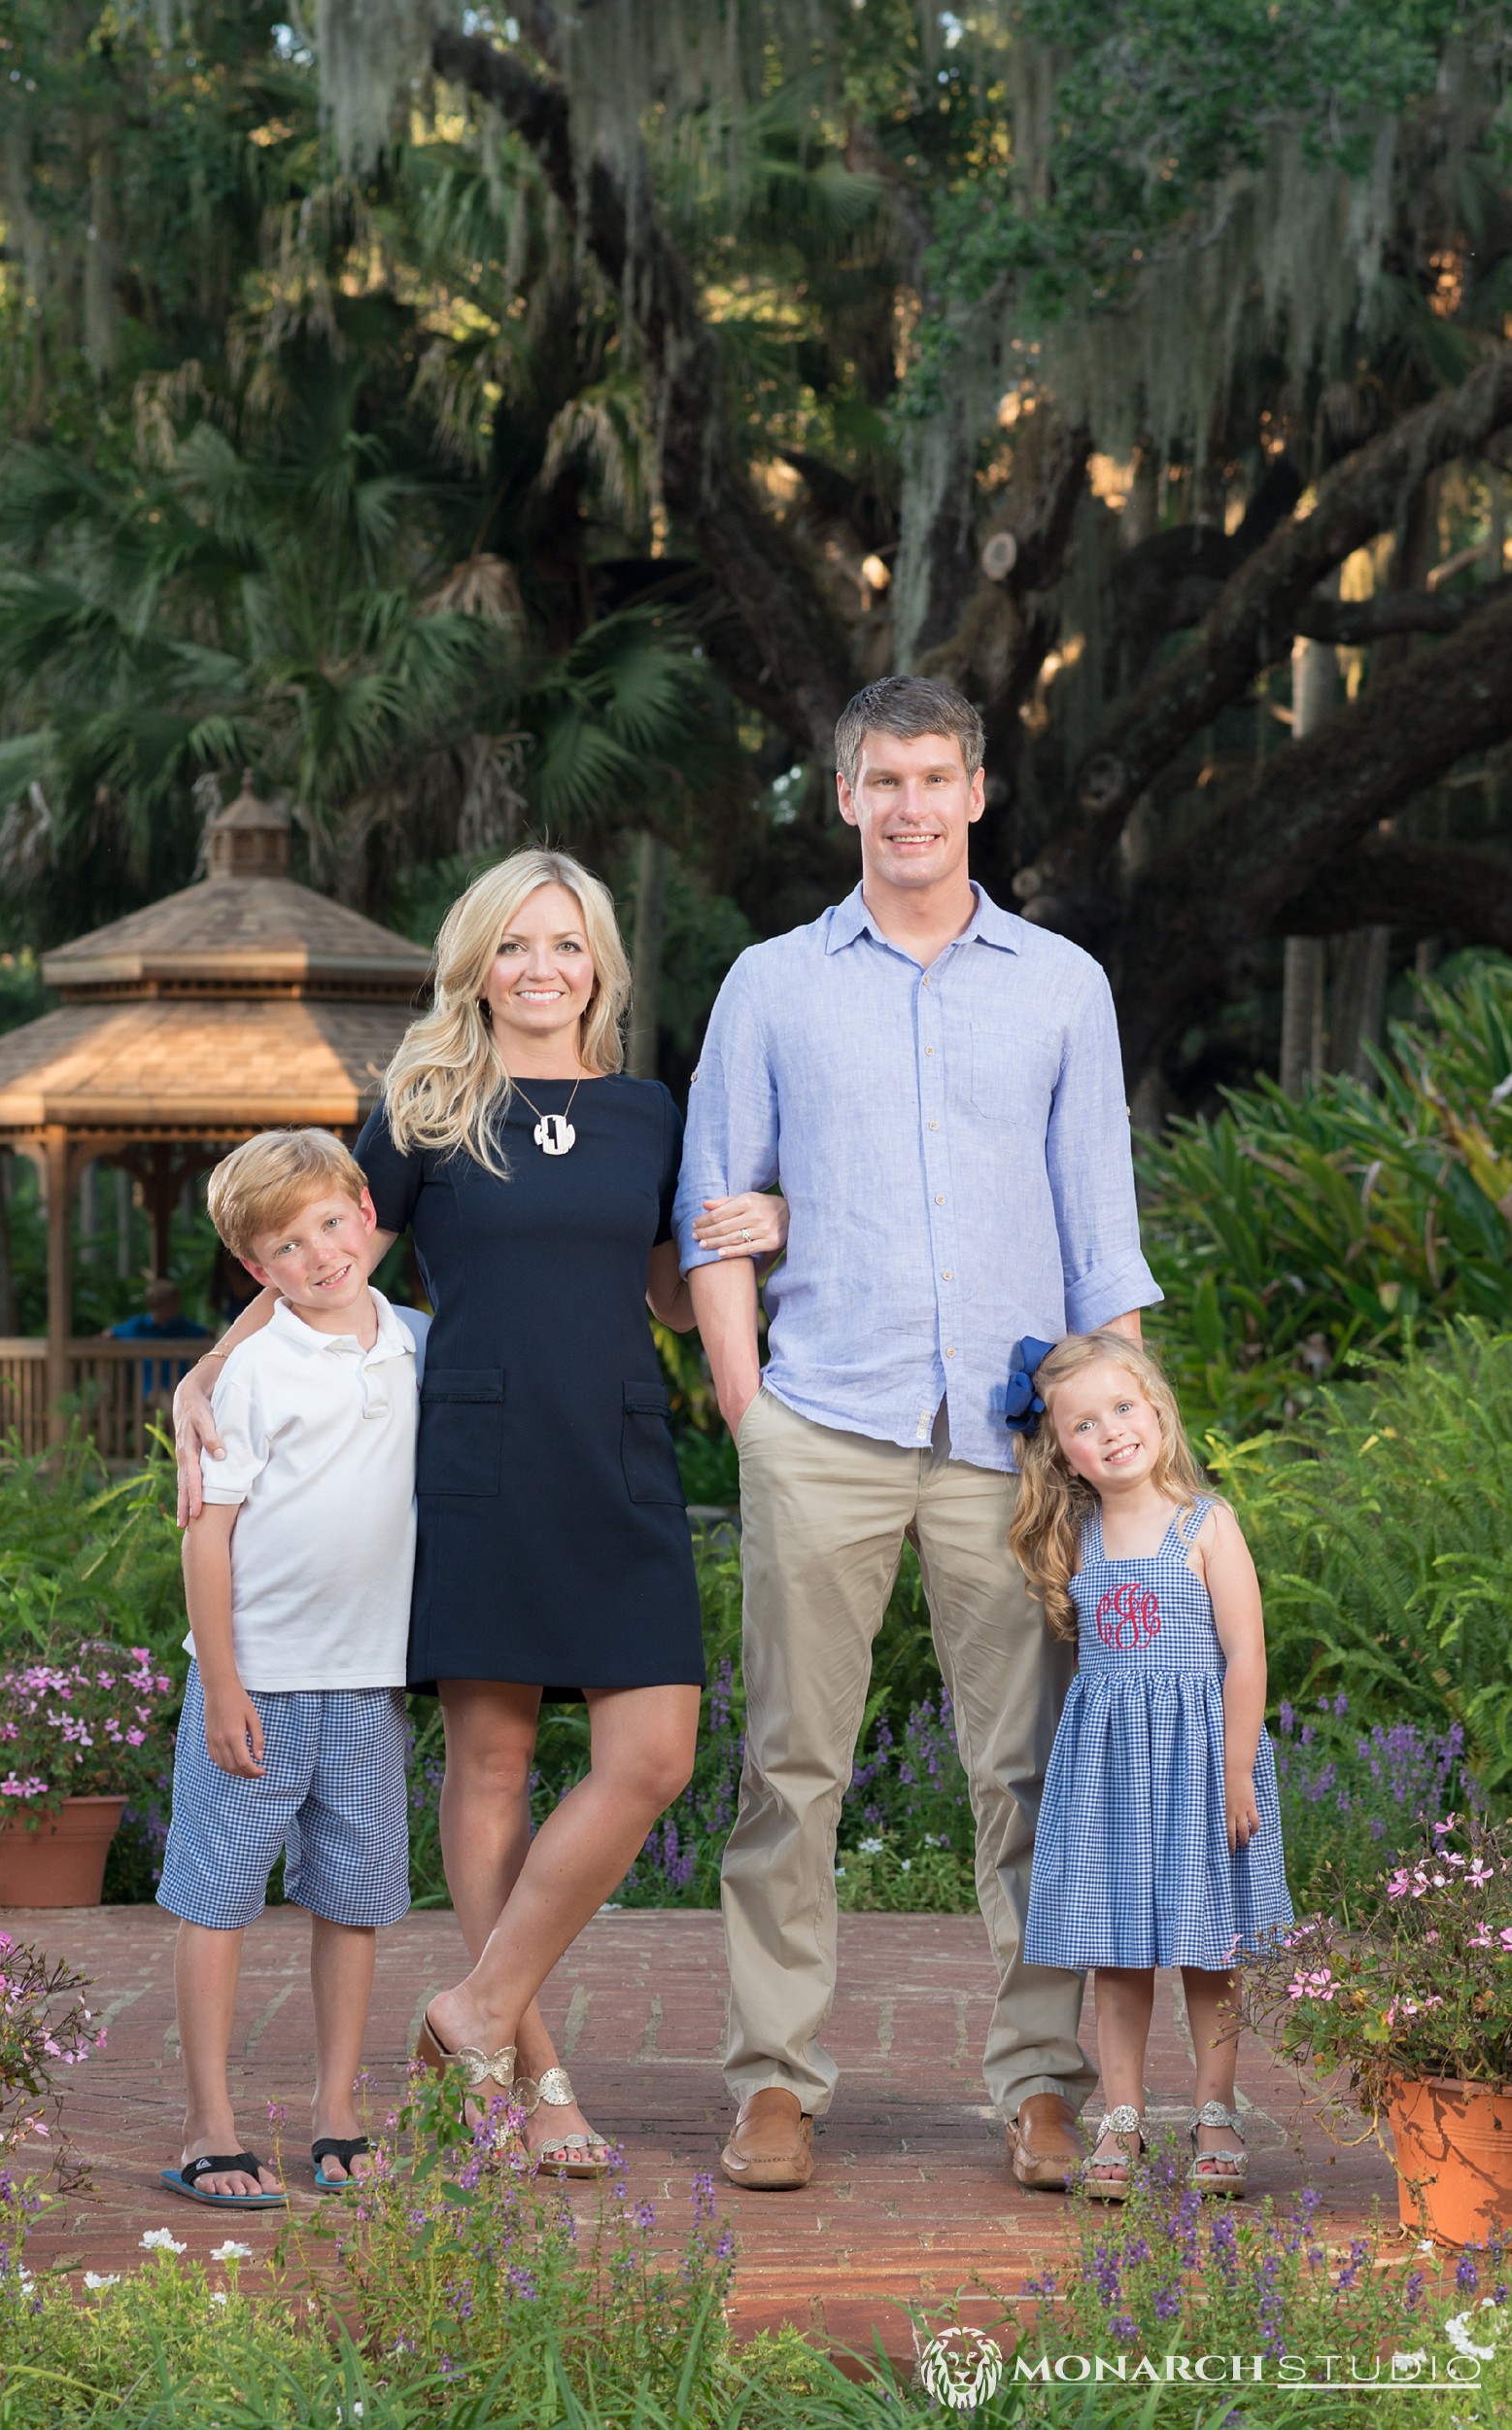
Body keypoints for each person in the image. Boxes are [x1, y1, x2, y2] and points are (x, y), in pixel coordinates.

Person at [173, 849, 783, 2174]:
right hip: (479, 1458)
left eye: (566, 945)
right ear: (477, 966)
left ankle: (472, 2012)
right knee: (492, 1765)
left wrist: (762, 1224)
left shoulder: (648, 1114)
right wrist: (201, 1380)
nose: (541, 969)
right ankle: (534, 2077)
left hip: (619, 1453)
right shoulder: (424, 1109)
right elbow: (318, 1262)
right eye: (513, 946)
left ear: (600, 967)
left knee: (655, 1756)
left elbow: (678, 1296)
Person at [675, 674, 1162, 2194]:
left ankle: (1039, 2085)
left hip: (1013, 1443)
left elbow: (1104, 1247)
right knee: (789, 1767)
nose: (908, 807)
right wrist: (751, 1413)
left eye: (934, 779)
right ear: (843, 797)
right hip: (822, 1422)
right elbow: (714, 1216)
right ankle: (771, 2081)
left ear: (974, 794)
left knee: (1026, 1774)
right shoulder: (770, 983)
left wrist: (1138, 1480)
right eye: (881, 781)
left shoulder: (1061, 984)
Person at [156, 1128, 429, 2205]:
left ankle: (336, 2112)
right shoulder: (253, 1373)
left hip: (369, 1681)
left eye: (329, 1224)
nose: (319, 1256)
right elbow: (205, 1535)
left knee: (352, 1899)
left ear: (366, 1209)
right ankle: (207, 2125)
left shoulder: (415, 1341)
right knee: (217, 1899)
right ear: (256, 1272)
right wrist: (222, 1686)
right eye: (286, 1245)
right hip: (257, 1681)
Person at [1011, 1331, 1293, 2198]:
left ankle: (1214, 2114)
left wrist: (1236, 1769)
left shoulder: (1205, 1523)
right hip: (1108, 1775)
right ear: (1062, 1450)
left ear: (1158, 1409)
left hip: (1202, 1765)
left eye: (1122, 1408)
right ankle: (1123, 2121)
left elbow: (1244, 1652)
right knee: (1117, 1952)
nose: (1111, 1432)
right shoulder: (1078, 1535)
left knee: (1211, 1951)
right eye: (1084, 1424)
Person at [106, 1276, 210, 1405]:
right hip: (153, 1391)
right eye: (170, 1303)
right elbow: (109, 1335)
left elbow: (208, 1335)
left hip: (183, 1386)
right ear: (156, 1304)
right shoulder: (139, 1326)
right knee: (171, 1403)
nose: (175, 1307)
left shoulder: (182, 1325)